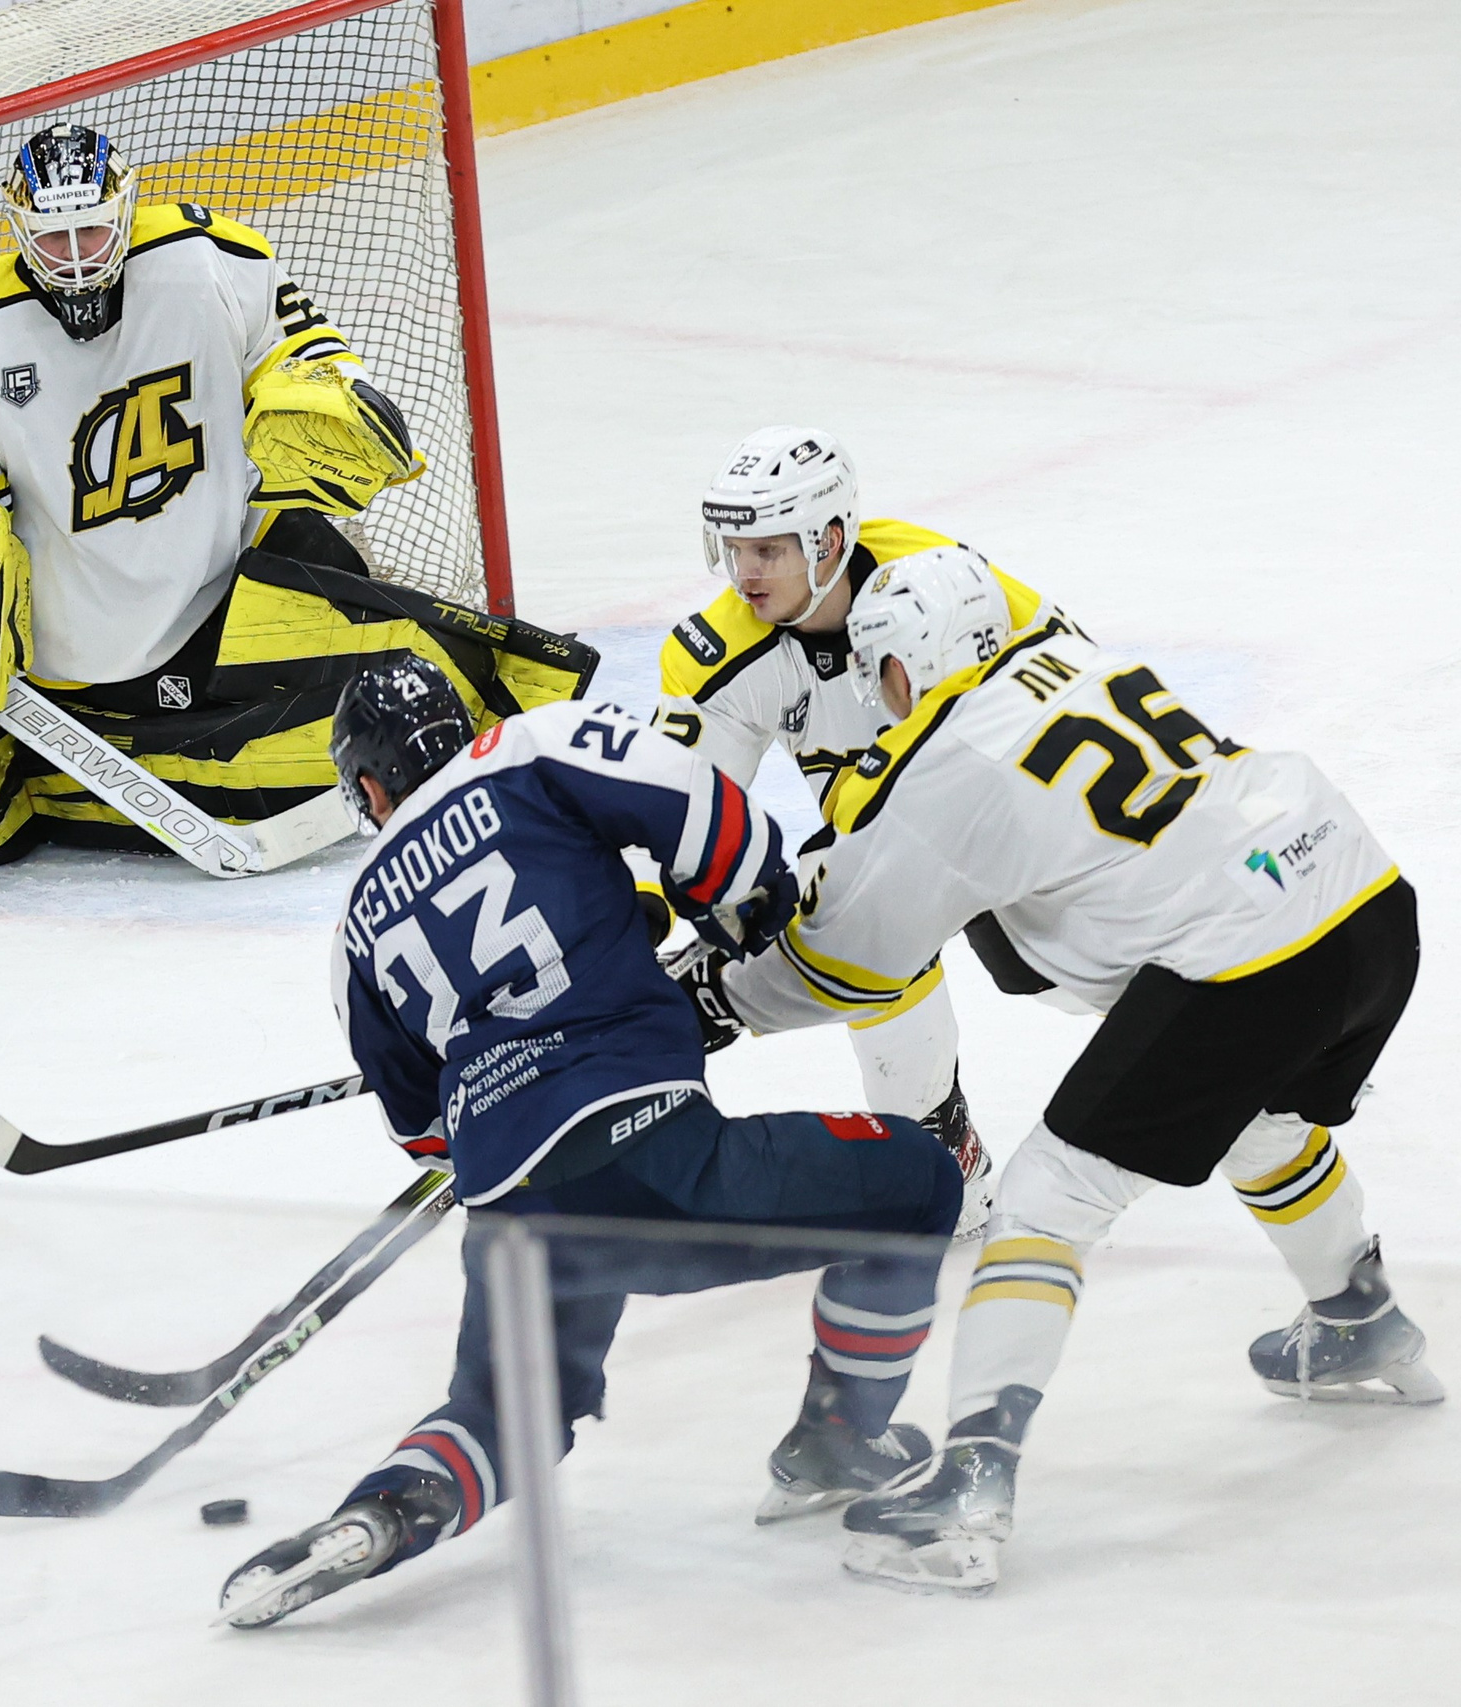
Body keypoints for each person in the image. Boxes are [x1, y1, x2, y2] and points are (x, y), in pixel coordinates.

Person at [685, 546, 1435, 1595]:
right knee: (1250, 1111)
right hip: (1358, 896)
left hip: (1246, 958)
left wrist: (713, 1000)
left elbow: (845, 966)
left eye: (883, 665)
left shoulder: (944, 769)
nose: (875, 686)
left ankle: (969, 1493)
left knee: (1045, 1199)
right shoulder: (1058, 660)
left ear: (910, 663)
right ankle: (1360, 1321)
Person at [216, 659, 961, 1630]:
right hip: (659, 1167)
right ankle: (837, 1436)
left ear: (368, 787)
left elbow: (425, 1134)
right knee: (915, 1180)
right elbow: (705, 816)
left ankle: (381, 1515)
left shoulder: (353, 932)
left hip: (511, 1212)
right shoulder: (527, 746)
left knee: (511, 1413)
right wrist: (733, 903)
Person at [0, 122, 595, 866]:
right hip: (89, 659)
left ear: (127, 207)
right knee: (240, 764)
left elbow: (300, 349)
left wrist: (323, 392)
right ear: (18, 230)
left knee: (441, 670)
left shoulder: (205, 261)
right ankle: (66, 773)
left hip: (234, 588)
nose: (80, 256)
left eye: (91, 228)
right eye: (55, 238)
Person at [654, 427, 1084, 1232]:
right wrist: (646, 911)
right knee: (867, 938)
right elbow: (680, 807)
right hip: (893, 838)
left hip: (1006, 811)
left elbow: (1076, 696)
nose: (745, 572)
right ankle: (940, 1151)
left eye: (770, 550)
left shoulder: (951, 592)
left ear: (831, 540)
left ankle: (1244, 1028)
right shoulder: (717, 653)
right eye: (735, 546)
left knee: (1056, 974)